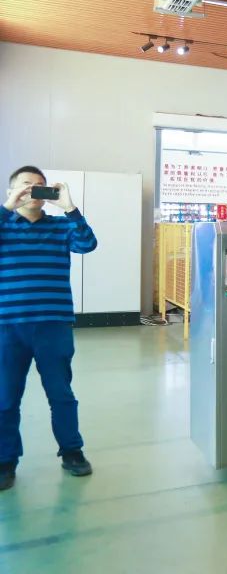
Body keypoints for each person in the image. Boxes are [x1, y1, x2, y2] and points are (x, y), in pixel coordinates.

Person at [1, 166, 98, 491]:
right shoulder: (4, 225)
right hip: (8, 327)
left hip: (53, 326)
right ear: (12, 191)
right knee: (5, 398)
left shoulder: (60, 226)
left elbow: (87, 244)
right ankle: (5, 460)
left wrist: (70, 207)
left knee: (61, 395)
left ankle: (72, 451)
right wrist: (7, 208)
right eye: (26, 185)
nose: (33, 190)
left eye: (40, 186)